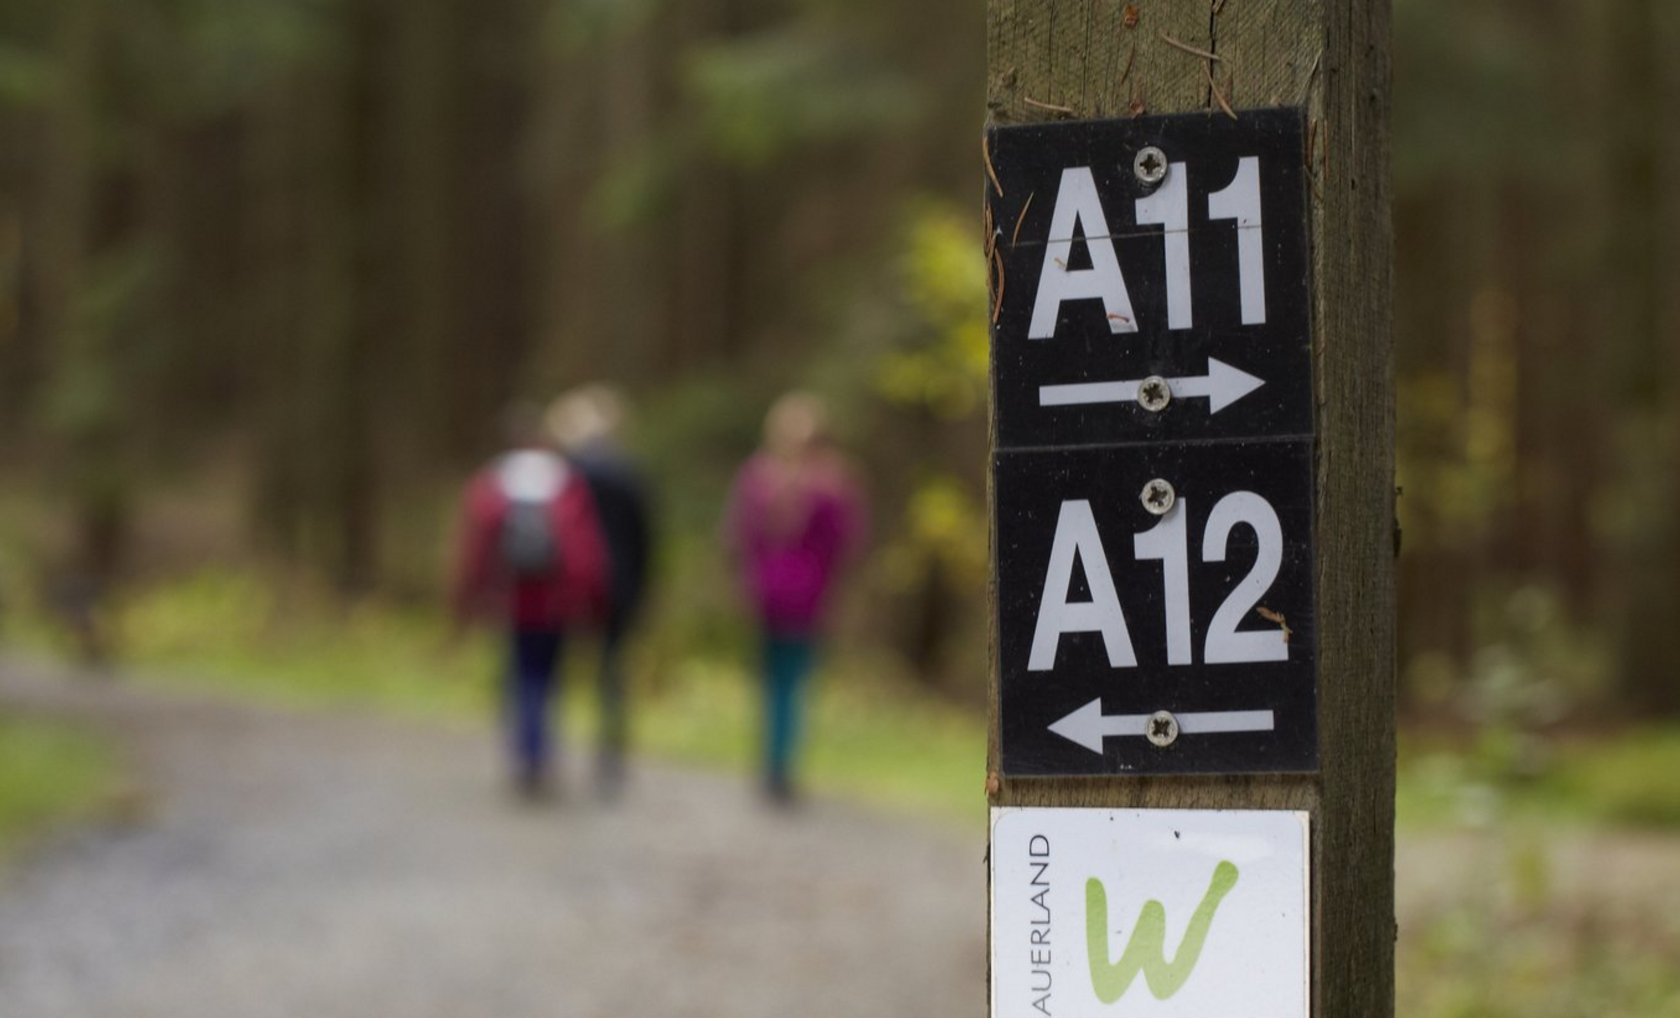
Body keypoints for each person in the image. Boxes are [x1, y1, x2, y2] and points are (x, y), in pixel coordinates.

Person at [451, 402, 609, 800]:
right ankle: (540, 752)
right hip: (556, 602)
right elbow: (584, 551)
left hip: (512, 599)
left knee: (521, 675)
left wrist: (468, 600)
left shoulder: (495, 481)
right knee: (548, 676)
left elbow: (474, 547)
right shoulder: (564, 482)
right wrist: (589, 599)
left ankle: (526, 752)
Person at [724, 392, 866, 805]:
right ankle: (782, 765)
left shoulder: (758, 476)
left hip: (767, 593)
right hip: (808, 596)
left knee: (773, 680)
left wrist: (744, 581)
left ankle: (772, 762)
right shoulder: (834, 482)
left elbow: (739, 537)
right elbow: (848, 543)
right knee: (792, 680)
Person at [547, 385, 653, 801]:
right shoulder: (628, 472)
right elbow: (644, 539)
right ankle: (610, 753)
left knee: (558, 666)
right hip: (621, 585)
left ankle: (547, 748)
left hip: (569, 585)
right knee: (612, 670)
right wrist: (643, 588)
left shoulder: (564, 473)